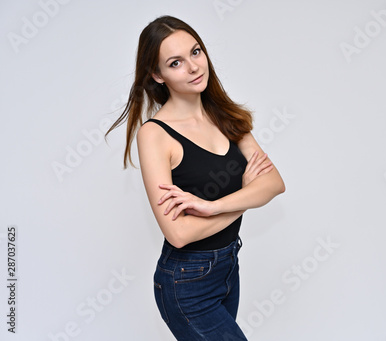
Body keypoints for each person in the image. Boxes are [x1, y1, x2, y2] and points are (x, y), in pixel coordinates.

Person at [105, 15, 285, 340]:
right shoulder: (155, 135)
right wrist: (246, 197)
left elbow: (273, 184)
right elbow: (178, 233)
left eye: (196, 52)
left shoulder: (224, 115)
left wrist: (212, 206)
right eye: (176, 62)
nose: (193, 67)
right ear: (157, 75)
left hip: (229, 268)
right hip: (187, 282)